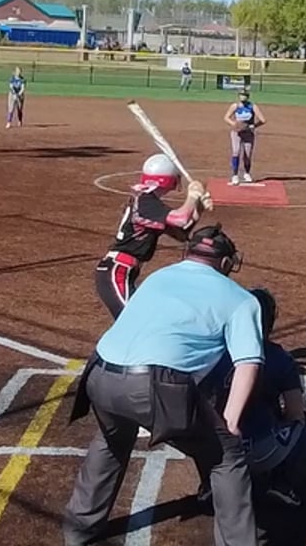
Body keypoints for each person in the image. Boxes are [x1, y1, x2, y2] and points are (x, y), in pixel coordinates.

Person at [62, 225, 264, 546]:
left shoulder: (159, 277)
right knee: (226, 456)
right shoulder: (241, 299)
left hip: (98, 374)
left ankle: (79, 530)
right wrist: (231, 420)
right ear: (226, 263)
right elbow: (248, 362)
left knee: (113, 438)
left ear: (188, 253)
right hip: (152, 384)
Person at [202, 288, 306, 514]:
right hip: (263, 453)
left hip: (220, 449)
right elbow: (294, 412)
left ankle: (208, 483)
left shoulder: (215, 352)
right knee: (302, 421)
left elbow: (199, 398)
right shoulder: (280, 358)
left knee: (199, 419)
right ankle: (281, 483)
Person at [94, 154, 210, 319]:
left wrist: (198, 207)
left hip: (123, 270)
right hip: (117, 271)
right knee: (133, 321)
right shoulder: (146, 202)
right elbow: (180, 219)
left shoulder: (149, 204)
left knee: (139, 321)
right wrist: (192, 196)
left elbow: (181, 233)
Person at [224, 89, 266, 184]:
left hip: (248, 133)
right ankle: (235, 175)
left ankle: (246, 173)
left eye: (245, 95)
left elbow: (263, 120)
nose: (243, 97)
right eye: (241, 95)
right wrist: (234, 124)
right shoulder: (235, 106)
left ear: (248, 96)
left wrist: (253, 126)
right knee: (236, 152)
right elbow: (226, 117)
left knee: (247, 154)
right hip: (237, 132)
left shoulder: (252, 106)